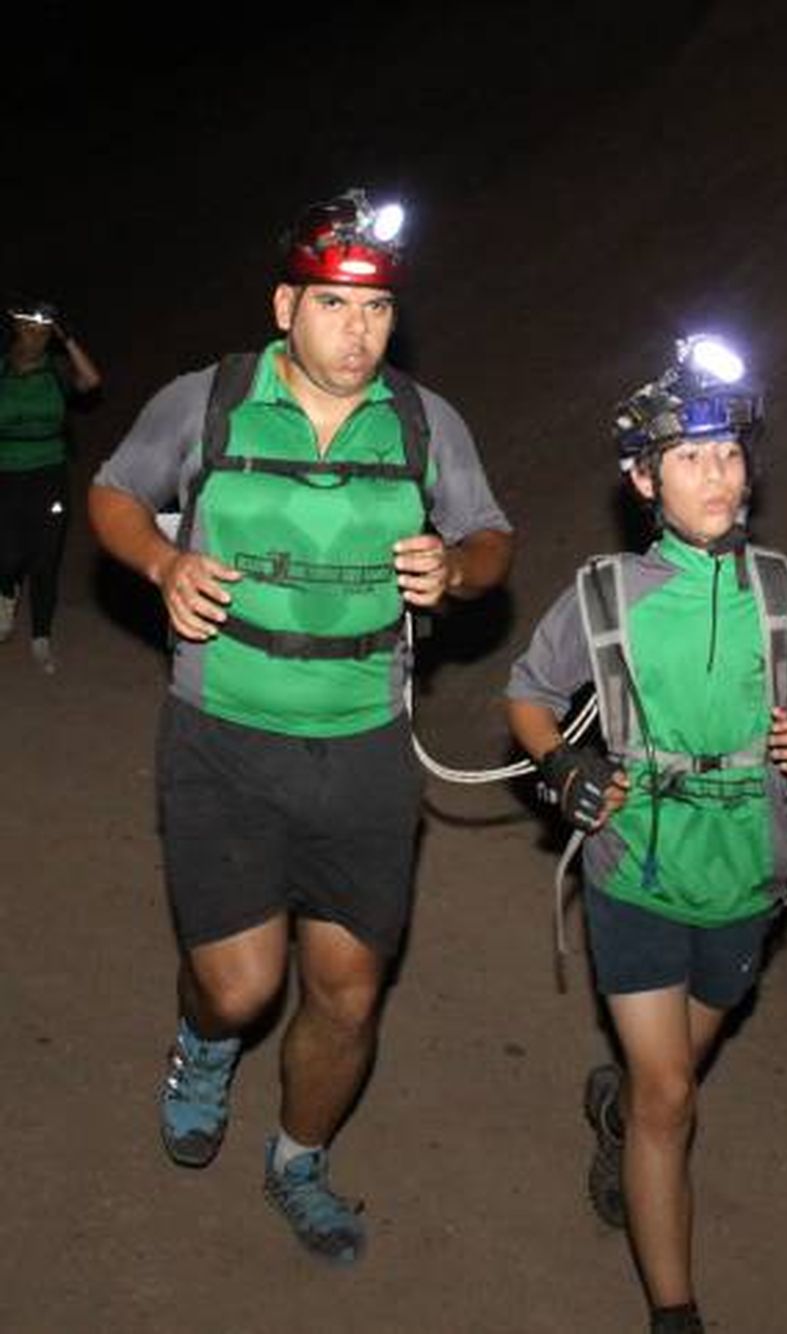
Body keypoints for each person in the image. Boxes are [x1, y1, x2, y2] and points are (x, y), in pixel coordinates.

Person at [87, 188, 513, 1262]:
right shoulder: (211, 400)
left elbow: (491, 532)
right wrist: (162, 561)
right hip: (221, 734)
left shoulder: (424, 419)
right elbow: (115, 490)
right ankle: (202, 1039)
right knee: (241, 986)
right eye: (333, 305)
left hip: (366, 750)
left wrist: (457, 568)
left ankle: (300, 1159)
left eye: (374, 312)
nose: (357, 330)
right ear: (288, 306)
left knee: (348, 991)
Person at [504, 332, 787, 1334]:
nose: (718, 474)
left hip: (750, 872)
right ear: (642, 476)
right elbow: (530, 694)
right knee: (674, 1097)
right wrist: (564, 765)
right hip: (634, 868)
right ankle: (675, 1312)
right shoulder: (605, 596)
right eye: (691, 456)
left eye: (730, 452)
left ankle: (617, 1112)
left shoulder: (783, 594)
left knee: (668, 1075)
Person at [0, 299, 102, 673]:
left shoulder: (56, 370)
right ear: (16, 329)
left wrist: (68, 338)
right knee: (8, 554)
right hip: (6, 473)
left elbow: (91, 381)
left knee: (45, 556)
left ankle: (41, 638)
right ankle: (5, 595)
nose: (36, 337)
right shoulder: (2, 371)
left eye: (44, 332)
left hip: (49, 474)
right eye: (29, 328)